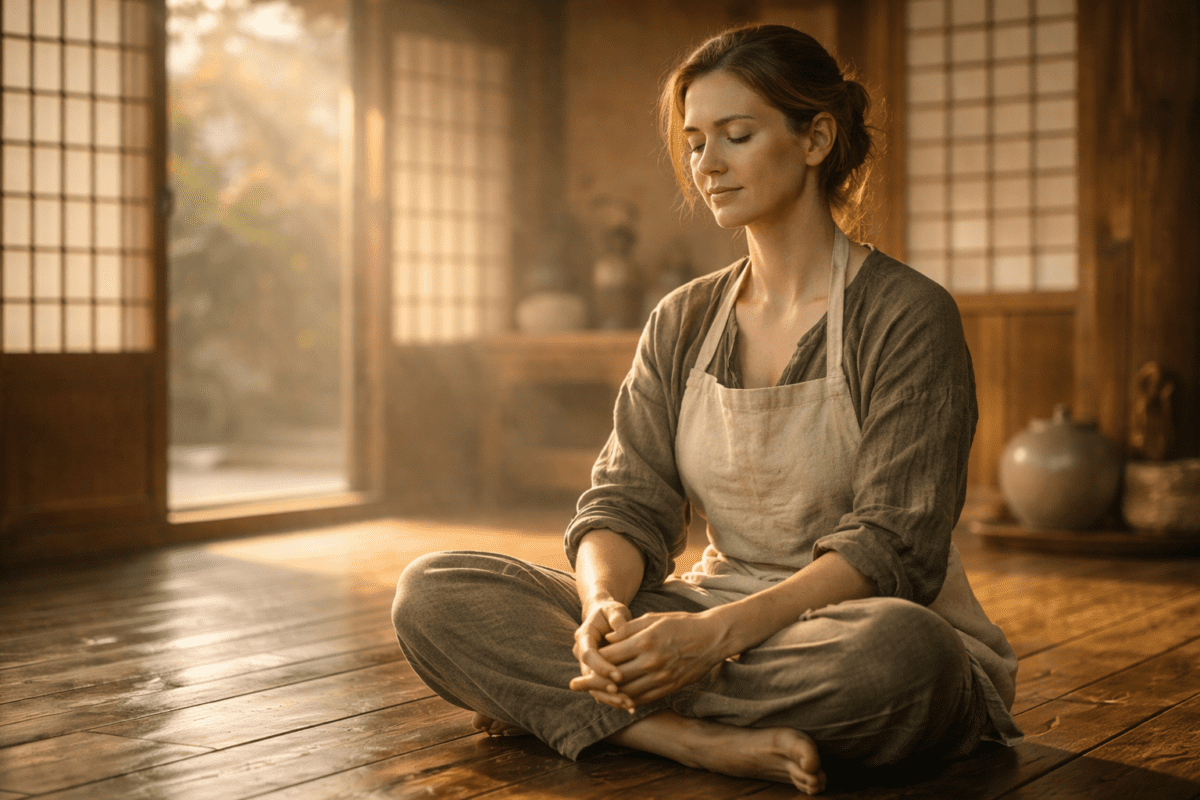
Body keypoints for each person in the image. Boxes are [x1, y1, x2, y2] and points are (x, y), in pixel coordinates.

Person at [392, 24, 1023, 795]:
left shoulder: (905, 314)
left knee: (905, 660)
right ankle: (686, 740)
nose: (707, 165)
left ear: (817, 137)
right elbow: (626, 501)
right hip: (703, 609)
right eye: (694, 142)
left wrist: (709, 640)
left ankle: (575, 706)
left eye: (736, 135)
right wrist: (602, 612)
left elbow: (895, 546)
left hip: (845, 627)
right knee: (435, 590)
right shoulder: (683, 318)